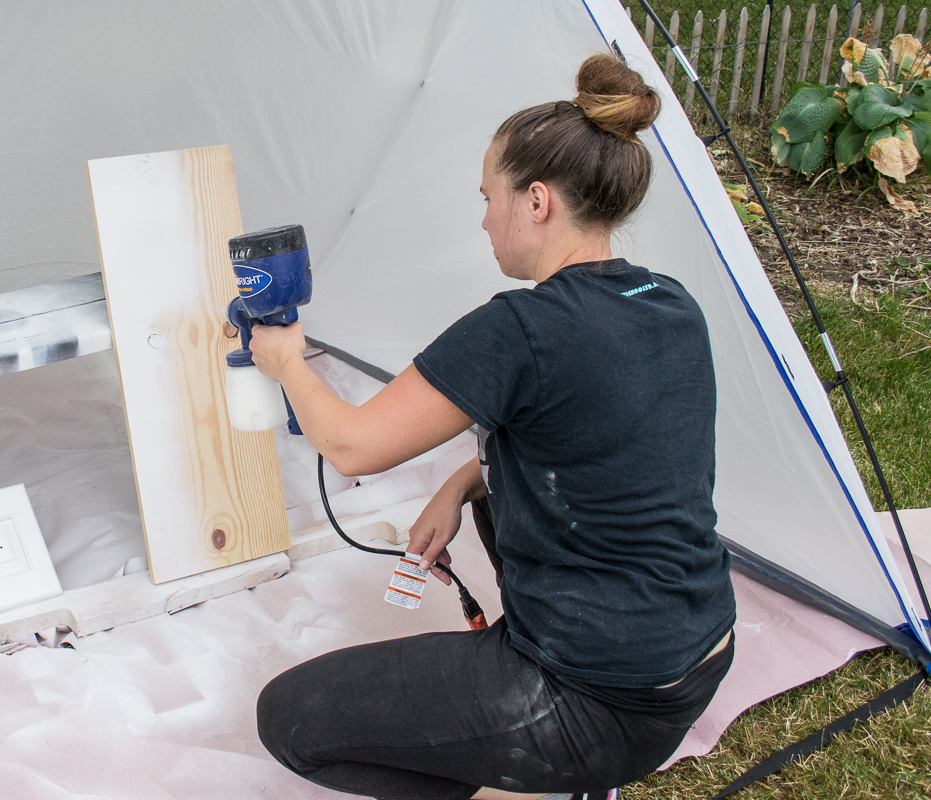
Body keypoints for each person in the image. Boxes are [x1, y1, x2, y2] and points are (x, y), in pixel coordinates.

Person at [247, 53, 736, 800]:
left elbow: (352, 444)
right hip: (697, 651)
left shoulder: (522, 329)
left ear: (536, 201)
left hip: (598, 699)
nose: (483, 218)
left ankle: (512, 775)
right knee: (487, 489)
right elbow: (605, 441)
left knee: (289, 718)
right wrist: (457, 480)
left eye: (489, 197)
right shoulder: (667, 302)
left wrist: (286, 360)